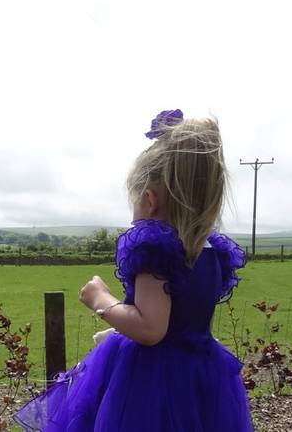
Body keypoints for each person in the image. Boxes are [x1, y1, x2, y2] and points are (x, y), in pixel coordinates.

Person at [15, 109, 253, 431]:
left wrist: (102, 300)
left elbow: (151, 330)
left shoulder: (155, 249)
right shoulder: (211, 253)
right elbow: (186, 324)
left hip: (149, 381)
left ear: (149, 200)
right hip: (201, 374)